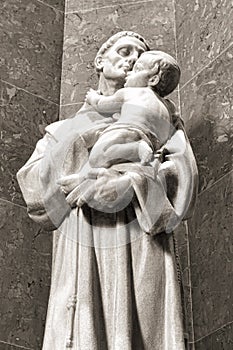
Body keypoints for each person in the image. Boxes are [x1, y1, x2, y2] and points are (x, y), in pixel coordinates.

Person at [17, 31, 198, 349]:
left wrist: (135, 181)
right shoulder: (62, 129)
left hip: (141, 234)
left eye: (138, 55)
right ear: (100, 61)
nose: (131, 60)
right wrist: (79, 149)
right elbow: (34, 192)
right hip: (85, 236)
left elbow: (183, 178)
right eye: (124, 50)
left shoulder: (163, 119)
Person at [86, 50, 180, 168]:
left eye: (137, 69)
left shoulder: (130, 93)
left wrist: (92, 97)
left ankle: (136, 149)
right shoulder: (169, 106)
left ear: (153, 80)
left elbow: (101, 104)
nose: (129, 73)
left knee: (97, 156)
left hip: (128, 130)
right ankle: (85, 177)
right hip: (154, 142)